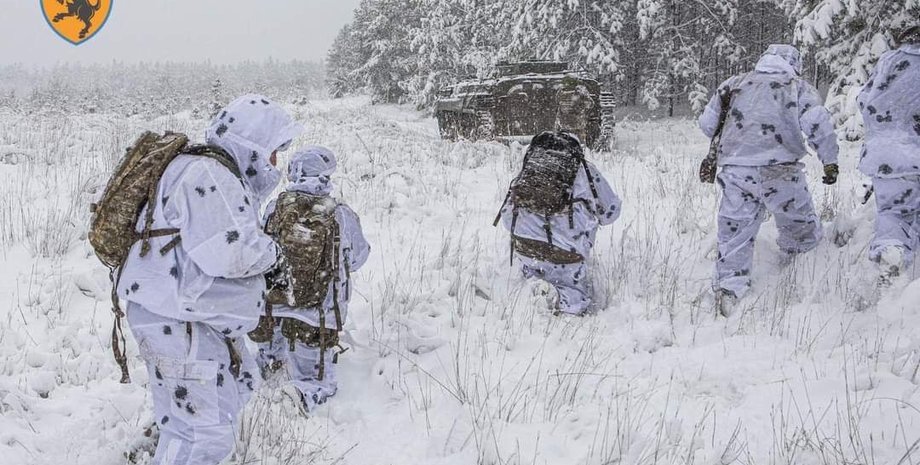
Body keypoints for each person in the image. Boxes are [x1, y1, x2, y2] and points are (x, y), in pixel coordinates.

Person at [118, 94, 303, 465]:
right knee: (206, 436)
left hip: (175, 319)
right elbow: (231, 252)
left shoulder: (198, 167)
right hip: (179, 324)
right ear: (251, 143)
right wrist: (274, 256)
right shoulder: (210, 175)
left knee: (190, 424)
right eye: (271, 152)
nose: (274, 165)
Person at [698, 44, 839, 315]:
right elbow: (818, 124)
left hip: (737, 171)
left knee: (735, 233)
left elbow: (707, 124)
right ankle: (796, 276)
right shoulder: (797, 86)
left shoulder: (734, 84)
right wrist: (829, 161)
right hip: (781, 171)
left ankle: (728, 291)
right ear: (794, 63)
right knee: (800, 229)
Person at [255, 146, 370, 412]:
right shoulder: (340, 213)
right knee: (315, 379)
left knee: (268, 359)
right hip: (318, 312)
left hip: (274, 305)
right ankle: (300, 398)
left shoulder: (275, 208)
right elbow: (359, 257)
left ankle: (262, 378)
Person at [498, 131, 620, 316]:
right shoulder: (585, 171)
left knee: (531, 290)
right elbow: (610, 213)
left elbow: (507, 217)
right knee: (572, 299)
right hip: (566, 254)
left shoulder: (531, 168)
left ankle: (534, 300)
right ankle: (571, 313)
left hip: (526, 248)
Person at [857, 25, 920, 283]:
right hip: (913, 146)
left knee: (894, 213)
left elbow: (863, 100)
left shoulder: (887, 62)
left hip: (887, 154)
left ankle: (890, 262)